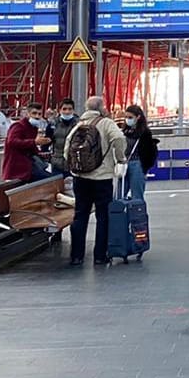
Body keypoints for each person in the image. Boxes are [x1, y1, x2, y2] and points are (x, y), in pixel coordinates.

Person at [64, 95, 125, 267]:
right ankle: (100, 256)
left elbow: (67, 148)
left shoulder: (79, 124)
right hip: (102, 178)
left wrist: (75, 167)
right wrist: (120, 158)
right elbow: (119, 138)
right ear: (101, 107)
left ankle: (76, 256)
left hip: (81, 178)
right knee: (103, 216)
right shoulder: (106, 123)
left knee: (80, 215)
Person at [1, 103, 49, 183]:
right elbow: (12, 141)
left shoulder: (33, 128)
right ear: (28, 114)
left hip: (27, 167)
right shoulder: (18, 126)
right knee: (49, 180)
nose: (37, 116)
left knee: (50, 179)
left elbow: (31, 147)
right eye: (34, 113)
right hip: (19, 169)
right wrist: (35, 142)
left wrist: (41, 153)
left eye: (39, 114)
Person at [121, 105, 157, 201]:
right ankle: (120, 215)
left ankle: (137, 215)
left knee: (137, 195)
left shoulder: (144, 132)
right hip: (124, 164)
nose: (127, 120)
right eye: (126, 117)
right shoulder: (124, 130)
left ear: (138, 117)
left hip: (137, 164)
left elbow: (149, 152)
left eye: (130, 117)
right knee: (119, 194)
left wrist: (145, 168)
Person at [45, 98, 79, 177]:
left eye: (70, 109)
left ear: (73, 110)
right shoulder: (53, 124)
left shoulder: (79, 125)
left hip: (73, 163)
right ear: (60, 110)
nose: (67, 112)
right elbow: (47, 142)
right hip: (57, 163)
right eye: (64, 109)